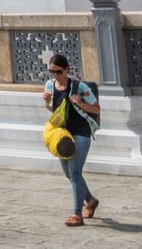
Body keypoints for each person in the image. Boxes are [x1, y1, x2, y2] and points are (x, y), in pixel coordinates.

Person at [43, 54, 100, 226]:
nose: (55, 75)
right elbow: (54, 111)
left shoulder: (79, 87)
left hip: (81, 132)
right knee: (69, 173)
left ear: (66, 69)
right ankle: (90, 200)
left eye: (58, 71)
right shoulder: (50, 86)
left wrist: (79, 102)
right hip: (63, 134)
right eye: (52, 72)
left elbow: (96, 109)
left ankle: (77, 214)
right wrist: (46, 102)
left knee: (75, 172)